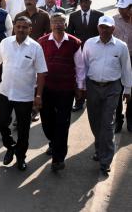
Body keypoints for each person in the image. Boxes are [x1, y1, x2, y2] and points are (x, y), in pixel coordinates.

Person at [0, 16, 47, 171]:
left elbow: (42, 73)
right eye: (18, 26)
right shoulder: (5, 43)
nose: (21, 29)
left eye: (24, 27)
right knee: (2, 122)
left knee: (23, 129)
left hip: (25, 95)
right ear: (14, 27)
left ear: (30, 29)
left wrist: (39, 96)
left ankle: (21, 156)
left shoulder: (36, 47)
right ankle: (10, 146)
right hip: (5, 92)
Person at [83, 15, 132, 175]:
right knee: (94, 121)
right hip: (93, 87)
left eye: (107, 27)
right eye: (102, 27)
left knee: (107, 124)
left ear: (113, 29)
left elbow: (126, 68)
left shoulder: (121, 46)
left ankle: (105, 160)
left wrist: (128, 90)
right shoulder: (90, 44)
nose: (104, 30)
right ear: (98, 28)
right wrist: (81, 87)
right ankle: (99, 148)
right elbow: (83, 65)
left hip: (113, 88)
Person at [38, 13, 85, 172]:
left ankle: (58, 158)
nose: (58, 24)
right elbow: (36, 67)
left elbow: (80, 67)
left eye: (61, 22)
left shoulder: (74, 42)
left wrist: (79, 87)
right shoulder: (42, 42)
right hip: (47, 89)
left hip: (66, 89)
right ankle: (54, 142)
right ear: (50, 24)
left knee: (62, 123)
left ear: (66, 24)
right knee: (47, 122)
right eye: (55, 22)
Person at [67, 0, 104, 112]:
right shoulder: (73, 16)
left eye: (86, 1)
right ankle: (79, 101)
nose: (84, 3)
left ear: (90, 2)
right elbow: (69, 34)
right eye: (82, 1)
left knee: (93, 76)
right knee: (80, 76)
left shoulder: (99, 15)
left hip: (95, 51)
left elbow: (102, 34)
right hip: (79, 52)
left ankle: (93, 100)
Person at [113, 0, 132, 133]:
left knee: (131, 91)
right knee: (117, 91)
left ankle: (130, 118)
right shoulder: (113, 21)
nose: (121, 10)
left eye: (124, 8)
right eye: (119, 7)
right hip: (117, 60)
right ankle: (118, 120)